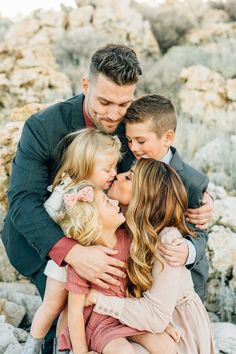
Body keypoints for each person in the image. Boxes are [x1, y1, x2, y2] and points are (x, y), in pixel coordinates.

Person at [1, 44, 212, 353]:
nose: (114, 114)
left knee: (150, 328)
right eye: (104, 101)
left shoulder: (131, 126)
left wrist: (199, 195)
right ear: (86, 85)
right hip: (50, 246)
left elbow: (162, 160)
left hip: (115, 245)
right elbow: (22, 202)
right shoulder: (43, 128)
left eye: (123, 104)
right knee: (69, 331)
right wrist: (73, 253)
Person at [86, 159, 216, 354]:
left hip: (177, 329)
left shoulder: (168, 241)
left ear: (145, 195)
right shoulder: (118, 226)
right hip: (137, 322)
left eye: (129, 177)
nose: (118, 175)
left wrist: (98, 300)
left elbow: (155, 316)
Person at [21, 128, 122, 354]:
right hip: (64, 263)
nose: (114, 173)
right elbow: (47, 215)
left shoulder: (98, 193)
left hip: (87, 265)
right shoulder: (69, 191)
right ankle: (32, 345)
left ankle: (63, 347)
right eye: (107, 169)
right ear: (86, 165)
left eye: (115, 167)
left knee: (72, 308)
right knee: (53, 305)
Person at [53, 181, 179, 354]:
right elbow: (74, 311)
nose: (114, 202)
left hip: (129, 315)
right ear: (94, 221)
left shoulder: (128, 239)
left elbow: (142, 285)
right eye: (106, 201)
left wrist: (162, 326)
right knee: (123, 351)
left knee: (167, 345)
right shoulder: (84, 261)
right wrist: (81, 352)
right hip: (101, 325)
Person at [122, 94, 210, 300]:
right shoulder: (127, 164)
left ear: (167, 138)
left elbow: (199, 231)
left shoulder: (191, 181)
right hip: (139, 269)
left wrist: (187, 250)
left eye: (141, 141)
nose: (134, 147)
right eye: (129, 140)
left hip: (180, 277)